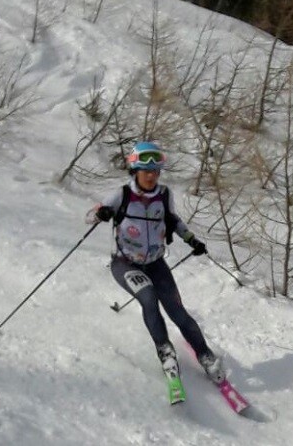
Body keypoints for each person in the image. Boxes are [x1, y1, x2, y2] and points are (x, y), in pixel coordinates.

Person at [88, 141, 225, 384]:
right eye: (146, 171)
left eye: (155, 171)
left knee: (177, 311)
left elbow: (174, 220)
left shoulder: (164, 195)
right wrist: (101, 213)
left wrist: (191, 240)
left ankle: (205, 355)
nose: (151, 176)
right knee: (149, 297)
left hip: (155, 263)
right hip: (125, 264)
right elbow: (90, 217)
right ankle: (165, 351)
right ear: (135, 171)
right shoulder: (122, 194)